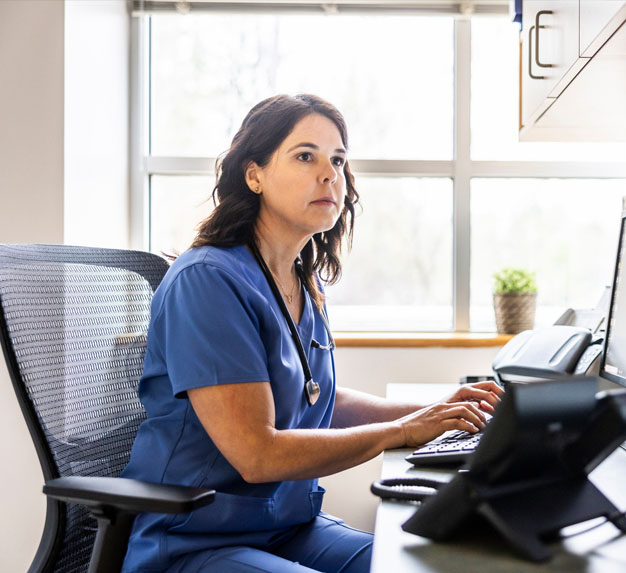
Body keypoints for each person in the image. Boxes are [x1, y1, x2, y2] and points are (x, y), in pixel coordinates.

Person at [120, 94, 503, 573]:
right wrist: (402, 431)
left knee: (434, 565)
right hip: (192, 542)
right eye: (306, 156)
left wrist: (443, 412)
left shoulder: (301, 279)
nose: (329, 173)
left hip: (285, 529)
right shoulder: (208, 280)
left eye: (338, 159)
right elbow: (257, 454)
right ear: (253, 174)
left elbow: (318, 399)